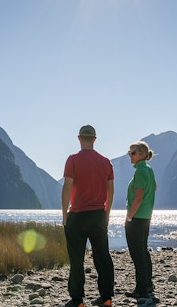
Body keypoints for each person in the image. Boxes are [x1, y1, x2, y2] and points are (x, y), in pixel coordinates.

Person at [61, 125, 115, 307]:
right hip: (98, 215)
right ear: (95, 139)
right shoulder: (106, 162)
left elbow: (67, 187)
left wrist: (64, 215)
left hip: (77, 214)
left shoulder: (72, 159)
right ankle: (106, 297)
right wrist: (106, 214)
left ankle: (78, 300)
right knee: (102, 257)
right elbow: (111, 190)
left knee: (77, 259)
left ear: (79, 138)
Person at [124, 141, 158, 302]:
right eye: (129, 152)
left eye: (133, 153)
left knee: (137, 254)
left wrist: (129, 216)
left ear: (142, 155)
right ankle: (148, 285)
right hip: (146, 216)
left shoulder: (140, 172)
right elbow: (154, 187)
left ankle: (141, 290)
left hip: (137, 218)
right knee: (143, 252)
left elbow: (138, 198)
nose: (130, 155)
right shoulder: (148, 170)